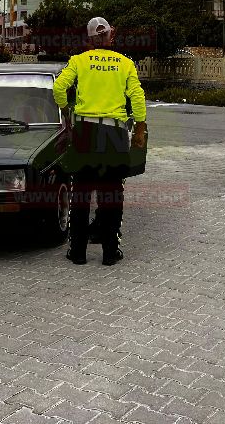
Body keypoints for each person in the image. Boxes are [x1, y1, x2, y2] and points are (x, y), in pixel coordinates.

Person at [53, 17, 147, 266]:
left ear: (90, 39)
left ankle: (78, 252)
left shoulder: (79, 61)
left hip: (85, 132)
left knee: (81, 193)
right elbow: (137, 97)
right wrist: (140, 127)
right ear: (110, 36)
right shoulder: (125, 63)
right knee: (112, 194)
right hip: (114, 135)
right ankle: (109, 252)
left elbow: (58, 89)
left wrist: (66, 113)